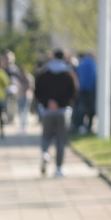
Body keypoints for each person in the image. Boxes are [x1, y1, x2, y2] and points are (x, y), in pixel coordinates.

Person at [34, 49, 79, 177]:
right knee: (61, 139)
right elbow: (73, 92)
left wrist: (48, 102)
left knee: (46, 136)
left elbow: (37, 91)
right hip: (63, 111)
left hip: (47, 111)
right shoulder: (69, 74)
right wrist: (60, 103)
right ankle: (58, 168)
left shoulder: (43, 73)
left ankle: (44, 153)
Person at [73, 50, 98, 134]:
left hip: (81, 89)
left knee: (81, 108)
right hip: (91, 90)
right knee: (90, 109)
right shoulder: (93, 64)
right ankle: (89, 126)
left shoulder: (81, 63)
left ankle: (80, 125)